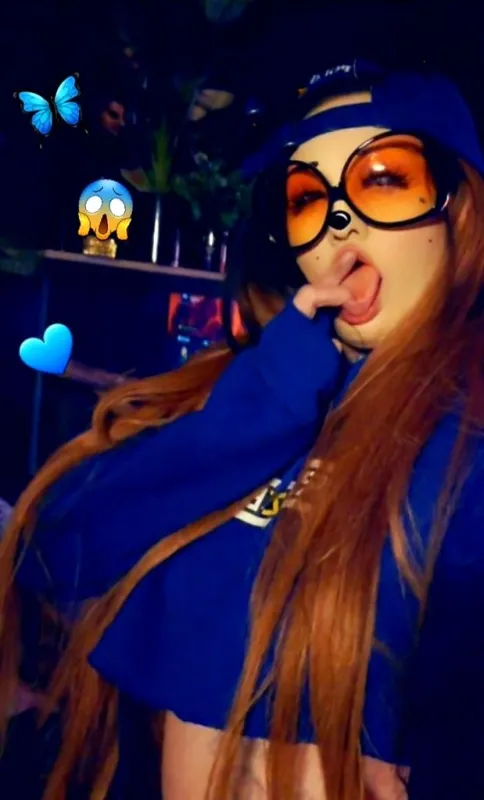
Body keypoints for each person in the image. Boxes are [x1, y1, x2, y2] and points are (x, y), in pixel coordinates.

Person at [1, 58, 484, 800]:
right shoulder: (256, 386)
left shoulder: (464, 448)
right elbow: (56, 546)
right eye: (306, 198)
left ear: (460, 214)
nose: (339, 222)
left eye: (384, 179)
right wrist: (267, 402)